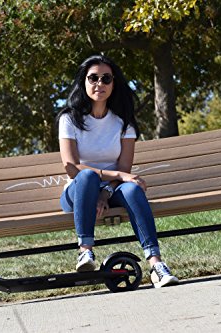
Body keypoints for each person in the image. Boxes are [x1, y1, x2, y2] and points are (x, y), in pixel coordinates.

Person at [57, 55, 179, 288]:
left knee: (133, 191)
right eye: (93, 78)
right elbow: (72, 167)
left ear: (114, 84)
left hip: (111, 192)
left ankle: (157, 266)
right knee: (88, 176)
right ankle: (85, 251)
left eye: (106, 79)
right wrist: (117, 177)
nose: (99, 84)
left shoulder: (124, 123)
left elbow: (124, 169)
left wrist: (105, 193)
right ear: (84, 81)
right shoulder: (69, 119)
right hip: (78, 193)